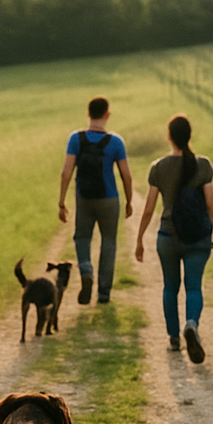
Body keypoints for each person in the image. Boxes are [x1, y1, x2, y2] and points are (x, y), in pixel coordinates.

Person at [134, 114, 213, 364]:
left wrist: (140, 237)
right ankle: (191, 324)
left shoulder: (158, 167)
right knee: (194, 286)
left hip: (167, 236)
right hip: (197, 237)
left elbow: (150, 208)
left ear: (169, 136)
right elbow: (210, 201)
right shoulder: (203, 165)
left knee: (170, 287)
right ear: (190, 136)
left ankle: (174, 338)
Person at [57, 96, 133, 305]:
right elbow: (126, 175)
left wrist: (62, 202)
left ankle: (86, 269)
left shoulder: (76, 139)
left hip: (84, 197)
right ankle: (104, 293)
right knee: (109, 242)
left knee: (82, 238)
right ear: (107, 114)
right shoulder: (115, 142)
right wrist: (129, 201)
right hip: (109, 199)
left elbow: (66, 172)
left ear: (88, 113)